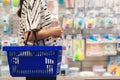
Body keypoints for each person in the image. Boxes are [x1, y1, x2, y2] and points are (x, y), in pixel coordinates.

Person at [17, 0, 62, 80]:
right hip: (40, 62)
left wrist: (51, 33)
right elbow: (29, 35)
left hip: (39, 63)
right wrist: (52, 31)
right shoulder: (34, 1)